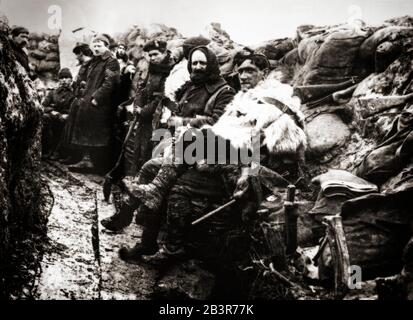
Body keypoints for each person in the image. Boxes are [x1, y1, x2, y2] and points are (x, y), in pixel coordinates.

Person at [119, 52, 307, 267]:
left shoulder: (273, 105)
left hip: (238, 171)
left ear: (264, 73)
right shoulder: (243, 99)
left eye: (250, 71)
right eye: (241, 71)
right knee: (152, 166)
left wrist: (239, 169)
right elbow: (222, 133)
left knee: (180, 187)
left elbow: (260, 150)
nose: (244, 76)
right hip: (218, 157)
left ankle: (173, 249)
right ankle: (146, 240)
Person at [101, 46, 235, 235]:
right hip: (181, 149)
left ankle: (149, 218)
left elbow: (217, 122)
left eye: (202, 63)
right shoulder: (190, 87)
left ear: (211, 64)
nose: (197, 67)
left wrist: (184, 122)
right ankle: (133, 226)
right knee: (148, 166)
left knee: (163, 181)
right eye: (194, 63)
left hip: (205, 152)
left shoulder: (224, 91)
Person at [69, 34, 120, 174]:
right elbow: (89, 78)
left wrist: (97, 97)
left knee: (97, 133)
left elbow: (110, 82)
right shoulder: (94, 61)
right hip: (88, 101)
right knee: (86, 131)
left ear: (106, 46)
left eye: (100, 46)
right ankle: (86, 160)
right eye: (95, 45)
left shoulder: (111, 61)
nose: (96, 48)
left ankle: (97, 164)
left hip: (100, 104)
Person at [59, 42, 93, 164]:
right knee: (72, 129)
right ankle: (72, 156)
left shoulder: (91, 66)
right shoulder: (84, 65)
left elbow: (89, 85)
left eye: (77, 55)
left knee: (80, 131)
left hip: (84, 101)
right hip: (78, 100)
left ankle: (80, 158)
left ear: (81, 54)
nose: (76, 58)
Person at [41, 68, 76, 159]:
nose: (64, 80)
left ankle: (58, 151)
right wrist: (53, 111)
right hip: (55, 116)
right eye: (61, 78)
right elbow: (43, 106)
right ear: (59, 80)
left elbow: (75, 107)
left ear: (71, 79)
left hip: (67, 117)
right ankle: (47, 149)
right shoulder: (53, 92)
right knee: (45, 118)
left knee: (66, 123)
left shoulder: (74, 92)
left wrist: (68, 115)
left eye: (66, 77)